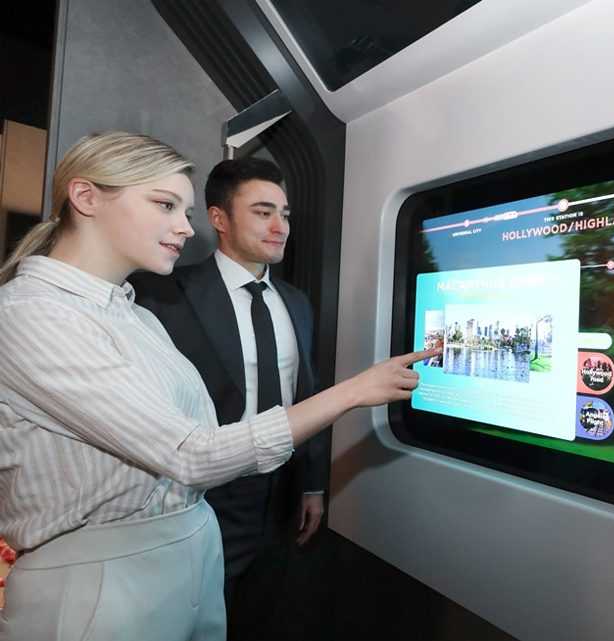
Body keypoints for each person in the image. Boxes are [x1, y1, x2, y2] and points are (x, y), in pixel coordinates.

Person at [0, 132, 435, 641]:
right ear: (86, 197)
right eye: (165, 205)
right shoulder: (32, 315)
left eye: (184, 211)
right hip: (103, 582)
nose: (186, 228)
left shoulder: (136, 315)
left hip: (191, 549)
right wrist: (354, 392)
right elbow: (191, 452)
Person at [130, 158, 325, 640]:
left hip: (280, 493)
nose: (280, 227)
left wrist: (313, 485)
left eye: (285, 214)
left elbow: (307, 393)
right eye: (263, 212)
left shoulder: (296, 302)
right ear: (219, 218)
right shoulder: (165, 294)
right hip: (204, 491)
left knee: (263, 615)